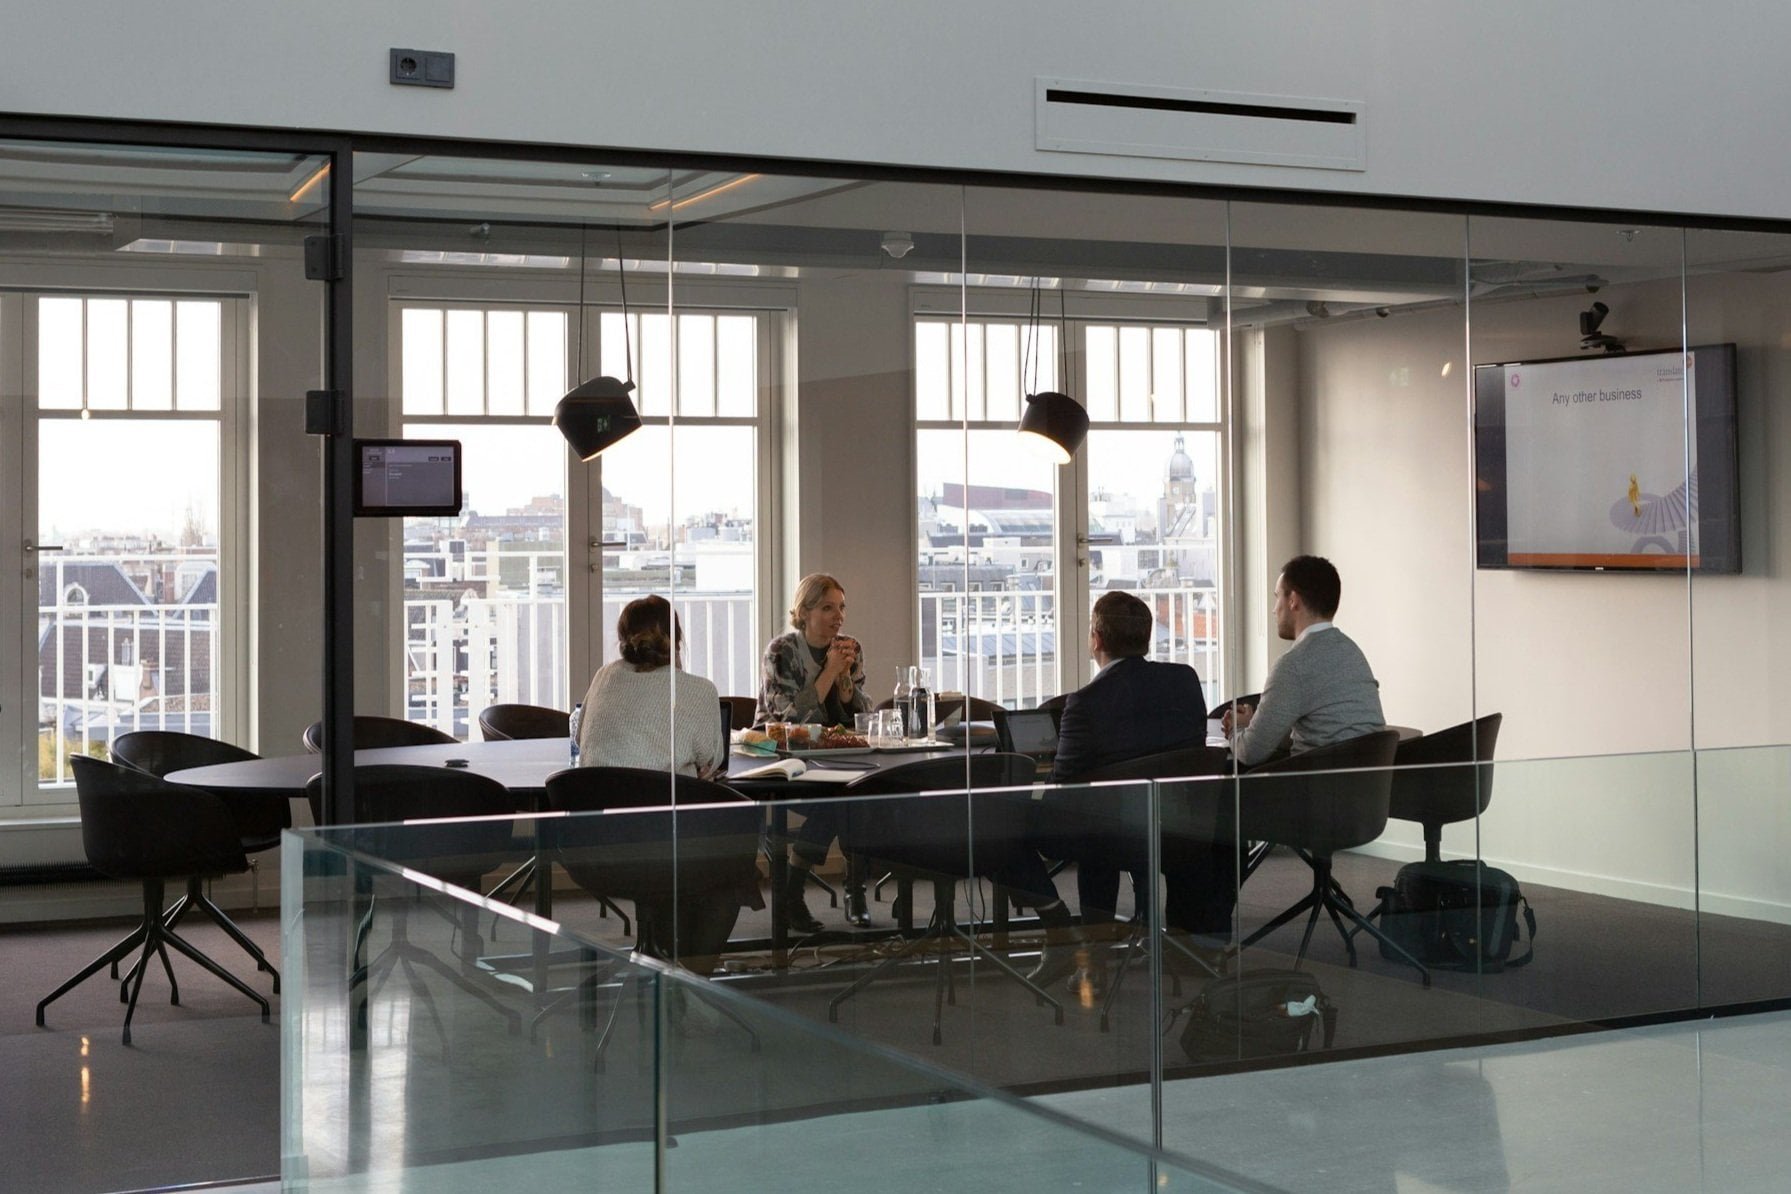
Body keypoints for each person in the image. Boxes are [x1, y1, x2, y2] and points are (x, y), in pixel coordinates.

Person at [1034, 591, 1212, 988]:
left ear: (1096, 639)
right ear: (1147, 638)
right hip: (1181, 829)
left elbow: (1062, 787)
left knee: (1084, 823)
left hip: (1115, 837)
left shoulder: (1085, 702)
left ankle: (1076, 943)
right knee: (1105, 816)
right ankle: (1165, 940)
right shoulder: (1184, 681)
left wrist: (1031, 788)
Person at [575, 596, 749, 981]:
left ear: (621, 638)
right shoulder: (697, 690)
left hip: (596, 853)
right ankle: (690, 983)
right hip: (665, 848)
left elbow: (578, 731)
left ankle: (669, 965)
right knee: (731, 868)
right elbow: (712, 756)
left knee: (694, 860)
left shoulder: (604, 677)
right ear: (678, 639)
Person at [758, 573, 875, 931]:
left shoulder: (849, 647)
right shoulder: (781, 651)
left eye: (841, 607)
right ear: (805, 611)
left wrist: (844, 684)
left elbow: (860, 717)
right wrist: (828, 673)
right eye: (827, 608)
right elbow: (790, 719)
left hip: (835, 757)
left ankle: (837, 892)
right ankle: (801, 891)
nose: (838, 616)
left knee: (860, 797)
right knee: (838, 804)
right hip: (783, 761)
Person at [1224, 554, 1385, 767]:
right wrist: (1256, 724)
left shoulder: (1294, 666)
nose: (1274, 609)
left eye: (1277, 597)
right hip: (1365, 793)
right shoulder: (1353, 653)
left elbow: (1250, 753)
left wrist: (1236, 729)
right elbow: (1326, 726)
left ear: (1293, 601)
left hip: (1314, 793)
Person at [577, 594, 723, 777]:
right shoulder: (701, 690)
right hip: (667, 803)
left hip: (598, 800)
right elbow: (710, 761)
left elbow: (579, 737)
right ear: (676, 641)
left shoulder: (604, 676)